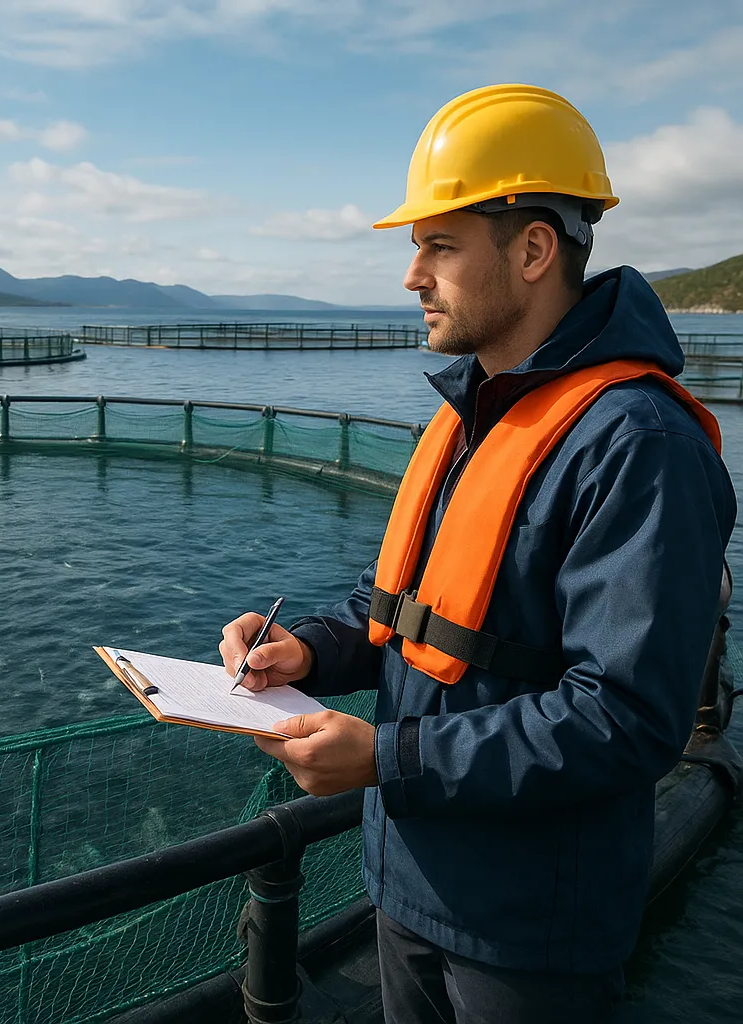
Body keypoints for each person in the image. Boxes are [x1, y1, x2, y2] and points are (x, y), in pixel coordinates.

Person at [219, 83, 736, 1024]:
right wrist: (315, 651)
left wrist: (388, 758)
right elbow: (410, 613)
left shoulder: (638, 443)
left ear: (534, 248)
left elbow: (627, 717)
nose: (412, 275)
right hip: (409, 880)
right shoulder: (474, 416)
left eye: (440, 245)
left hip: (532, 930)